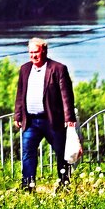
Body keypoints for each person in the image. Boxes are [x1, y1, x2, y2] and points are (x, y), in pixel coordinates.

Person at [14, 38, 82, 190]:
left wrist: (69, 118)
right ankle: (28, 184)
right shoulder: (24, 69)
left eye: (36, 52)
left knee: (61, 151)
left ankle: (64, 182)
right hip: (30, 121)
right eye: (30, 52)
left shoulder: (58, 69)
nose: (33, 56)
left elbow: (66, 95)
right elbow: (20, 94)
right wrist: (18, 114)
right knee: (28, 153)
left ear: (44, 51)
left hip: (52, 120)